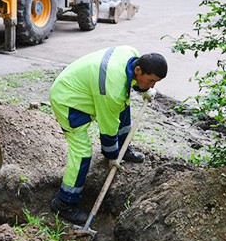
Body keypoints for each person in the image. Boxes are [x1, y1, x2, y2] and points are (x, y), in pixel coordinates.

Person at [49, 46, 168, 225]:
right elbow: (107, 129)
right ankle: (64, 203)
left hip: (85, 86)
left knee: (123, 106)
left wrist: (143, 90)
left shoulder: (131, 54)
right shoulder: (112, 90)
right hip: (68, 100)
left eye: (155, 82)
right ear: (138, 70)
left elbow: (127, 88)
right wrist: (112, 156)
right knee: (82, 153)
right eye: (151, 81)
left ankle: (124, 149)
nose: (152, 85)